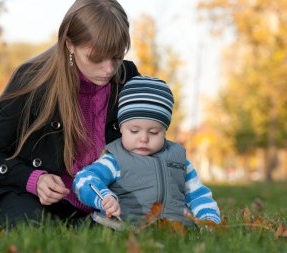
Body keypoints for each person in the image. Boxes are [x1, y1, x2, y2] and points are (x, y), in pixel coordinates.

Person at [0, 0, 140, 227]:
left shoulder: (128, 78)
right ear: (69, 44)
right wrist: (34, 180)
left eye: (117, 57)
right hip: (29, 199)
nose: (109, 69)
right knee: (30, 225)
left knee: (128, 225)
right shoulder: (32, 79)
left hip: (104, 203)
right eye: (95, 58)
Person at [73, 76, 221, 227]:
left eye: (154, 132)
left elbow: (198, 194)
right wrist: (103, 197)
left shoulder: (179, 160)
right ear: (122, 128)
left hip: (174, 230)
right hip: (122, 227)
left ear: (165, 131)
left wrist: (208, 219)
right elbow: (84, 179)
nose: (143, 138)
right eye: (134, 131)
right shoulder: (115, 158)